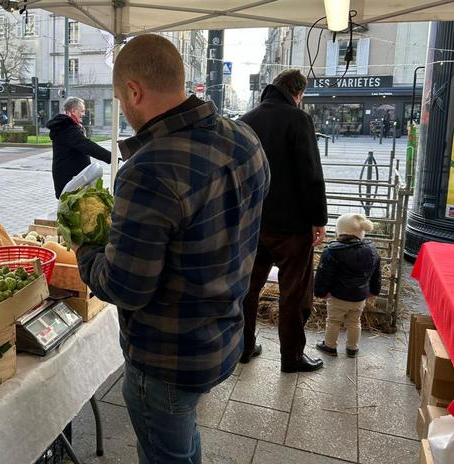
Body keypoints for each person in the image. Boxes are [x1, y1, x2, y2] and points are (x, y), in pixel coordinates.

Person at [74, 34, 270, 464]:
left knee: (168, 452)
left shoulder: (148, 170)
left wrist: (85, 248)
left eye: (120, 99)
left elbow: (126, 288)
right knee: (181, 439)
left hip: (168, 359)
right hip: (224, 336)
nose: (123, 110)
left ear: (134, 91)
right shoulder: (246, 140)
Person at [240, 69, 328, 373]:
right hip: (292, 228)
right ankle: (291, 357)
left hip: (253, 224)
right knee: (294, 293)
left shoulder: (246, 120)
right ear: (298, 93)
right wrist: (319, 219)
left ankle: (244, 346)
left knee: (248, 289)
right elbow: (311, 174)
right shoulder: (299, 119)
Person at [314, 213, 381, 358]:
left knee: (333, 321)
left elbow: (323, 274)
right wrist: (374, 290)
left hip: (337, 296)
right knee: (354, 322)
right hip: (359, 297)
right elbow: (376, 273)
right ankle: (352, 348)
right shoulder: (372, 250)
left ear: (340, 231)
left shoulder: (332, 251)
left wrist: (321, 292)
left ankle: (330, 346)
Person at [47, 97, 112, 198]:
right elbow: (87, 145)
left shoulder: (70, 126)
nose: (83, 114)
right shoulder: (66, 128)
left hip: (76, 178)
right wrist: (111, 157)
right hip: (69, 178)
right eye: (82, 111)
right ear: (73, 110)